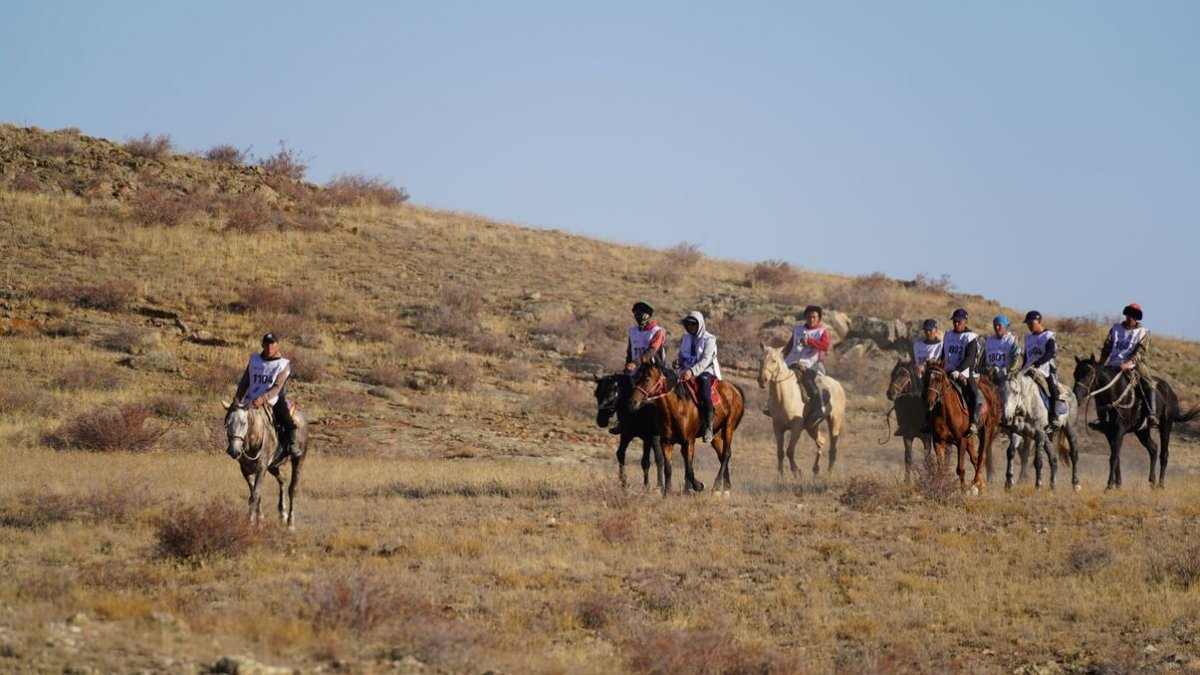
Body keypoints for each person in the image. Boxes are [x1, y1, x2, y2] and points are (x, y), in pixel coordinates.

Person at [232, 332, 297, 463]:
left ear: (277, 345)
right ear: (262, 344)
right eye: (266, 343)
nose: (269, 347)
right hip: (251, 399)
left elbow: (277, 387)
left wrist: (262, 399)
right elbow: (246, 380)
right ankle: (234, 443)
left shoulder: (283, 364)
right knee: (234, 416)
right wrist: (237, 397)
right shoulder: (254, 359)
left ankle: (291, 446)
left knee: (286, 420)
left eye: (272, 344)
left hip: (274, 399)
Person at [610, 301, 667, 434]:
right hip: (635, 370)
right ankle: (622, 421)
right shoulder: (632, 331)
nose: (639, 316)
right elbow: (630, 351)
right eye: (636, 313)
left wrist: (635, 363)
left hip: (652, 369)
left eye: (642, 313)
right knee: (621, 389)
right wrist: (627, 365)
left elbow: (651, 351)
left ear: (648, 315)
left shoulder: (657, 331)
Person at [1099, 303, 1157, 428]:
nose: (1130, 318)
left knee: (1148, 383)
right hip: (1113, 364)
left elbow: (1140, 353)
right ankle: (1101, 417)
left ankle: (1151, 413)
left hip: (1134, 365)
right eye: (1129, 315)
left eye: (1133, 316)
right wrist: (1100, 364)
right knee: (1098, 382)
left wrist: (1127, 364)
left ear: (1137, 318)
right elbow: (1106, 348)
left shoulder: (1143, 332)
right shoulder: (1115, 329)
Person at [782, 305, 832, 426]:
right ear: (805, 317)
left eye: (814, 317)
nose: (811, 319)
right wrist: (781, 356)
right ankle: (772, 407)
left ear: (819, 318)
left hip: (813, 363)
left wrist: (810, 341)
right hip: (793, 362)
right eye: (809, 316)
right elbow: (790, 345)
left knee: (807, 380)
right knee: (778, 379)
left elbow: (825, 346)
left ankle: (818, 408)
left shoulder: (822, 331)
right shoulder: (798, 330)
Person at [675, 311, 721, 443]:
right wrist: (678, 362)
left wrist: (692, 371)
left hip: (704, 371)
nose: (690, 327)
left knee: (705, 396)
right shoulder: (686, 338)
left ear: (699, 324)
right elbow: (682, 356)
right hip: (685, 372)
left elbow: (706, 360)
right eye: (688, 324)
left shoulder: (709, 339)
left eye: (693, 324)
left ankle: (708, 426)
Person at [943, 308, 983, 436]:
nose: (956, 324)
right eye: (954, 321)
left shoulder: (971, 337)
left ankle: (973, 422)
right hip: (947, 371)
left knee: (975, 395)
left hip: (965, 373)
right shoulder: (948, 335)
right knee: (929, 390)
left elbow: (970, 359)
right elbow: (943, 354)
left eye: (959, 321)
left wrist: (958, 371)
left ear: (966, 321)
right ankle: (928, 420)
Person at [1019, 310, 1061, 429]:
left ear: (1039, 321)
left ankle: (1055, 417)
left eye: (1031, 323)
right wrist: (1022, 370)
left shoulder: (1048, 336)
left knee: (1053, 389)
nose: (1029, 326)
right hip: (1030, 370)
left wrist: (1039, 362)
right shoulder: (1028, 338)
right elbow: (1026, 357)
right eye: (1027, 323)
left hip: (1046, 369)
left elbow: (1051, 352)